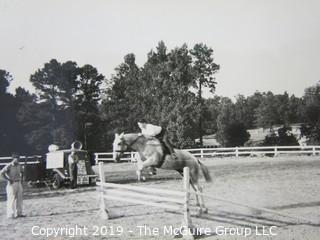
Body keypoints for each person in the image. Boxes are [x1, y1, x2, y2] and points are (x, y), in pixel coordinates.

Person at [0, 153, 25, 218]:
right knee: (11, 199)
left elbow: (22, 172)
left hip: (18, 182)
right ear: (13, 159)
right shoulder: (9, 166)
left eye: (18, 158)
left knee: (19, 199)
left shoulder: (19, 165)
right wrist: (8, 179)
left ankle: (19, 213)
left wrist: (21, 180)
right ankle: (10, 214)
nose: (18, 160)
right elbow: (2, 173)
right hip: (12, 183)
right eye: (16, 158)